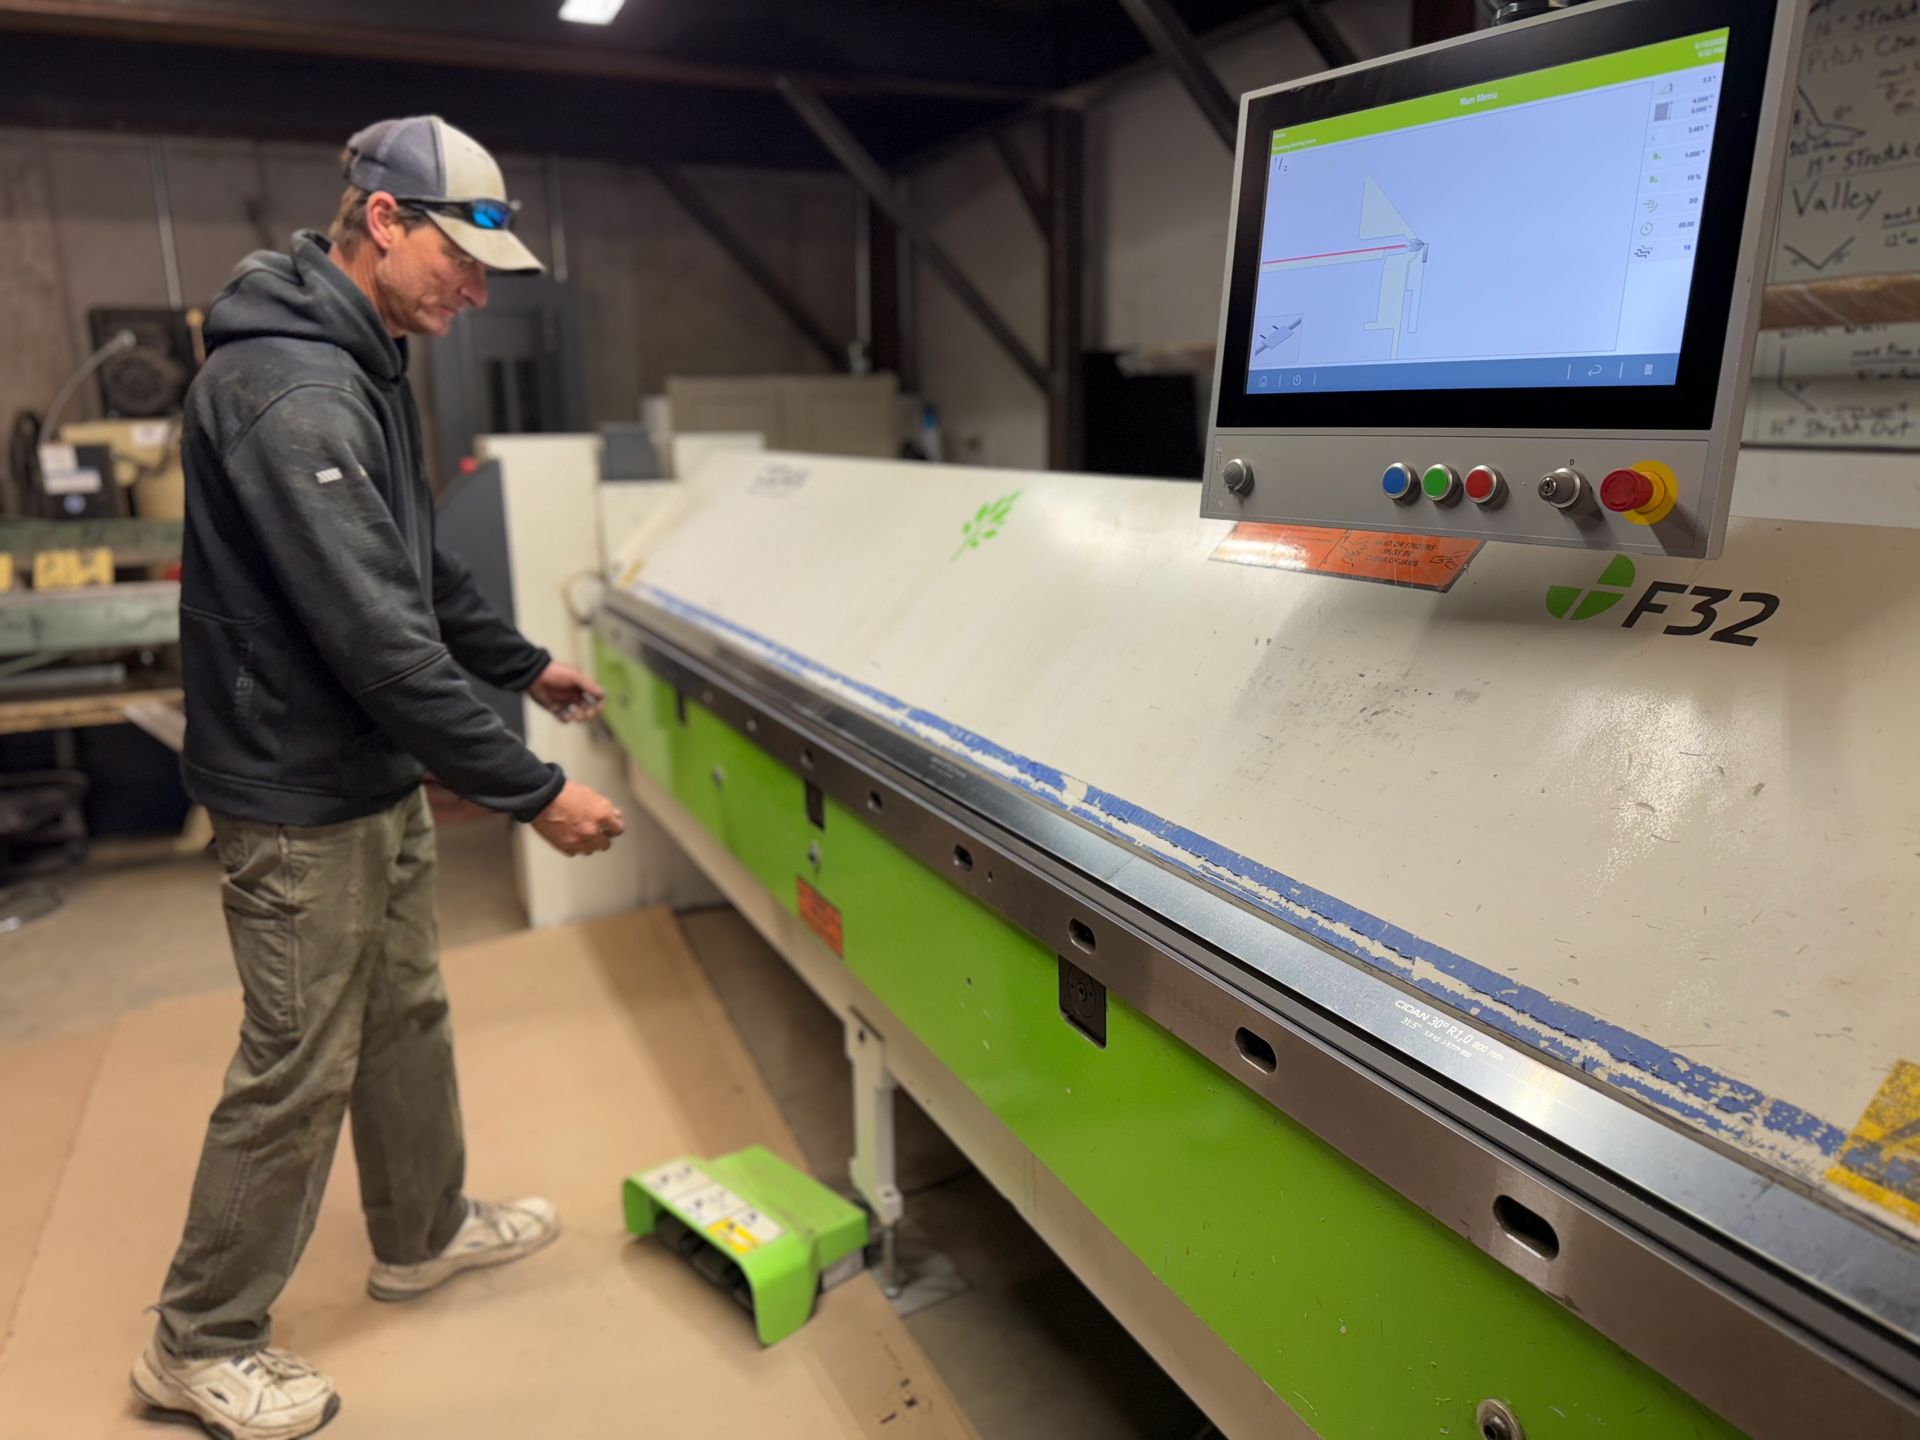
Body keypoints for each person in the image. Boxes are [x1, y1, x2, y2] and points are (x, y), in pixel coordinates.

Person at [130, 116, 625, 1440]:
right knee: (297, 1062)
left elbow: (413, 567)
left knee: (404, 1016)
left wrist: (523, 666)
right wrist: (532, 790)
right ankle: (199, 1338)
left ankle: (420, 1232)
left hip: (363, 777)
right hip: (297, 796)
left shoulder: (365, 362)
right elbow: (377, 640)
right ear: (384, 220)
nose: (477, 288)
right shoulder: (293, 393)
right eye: (464, 258)